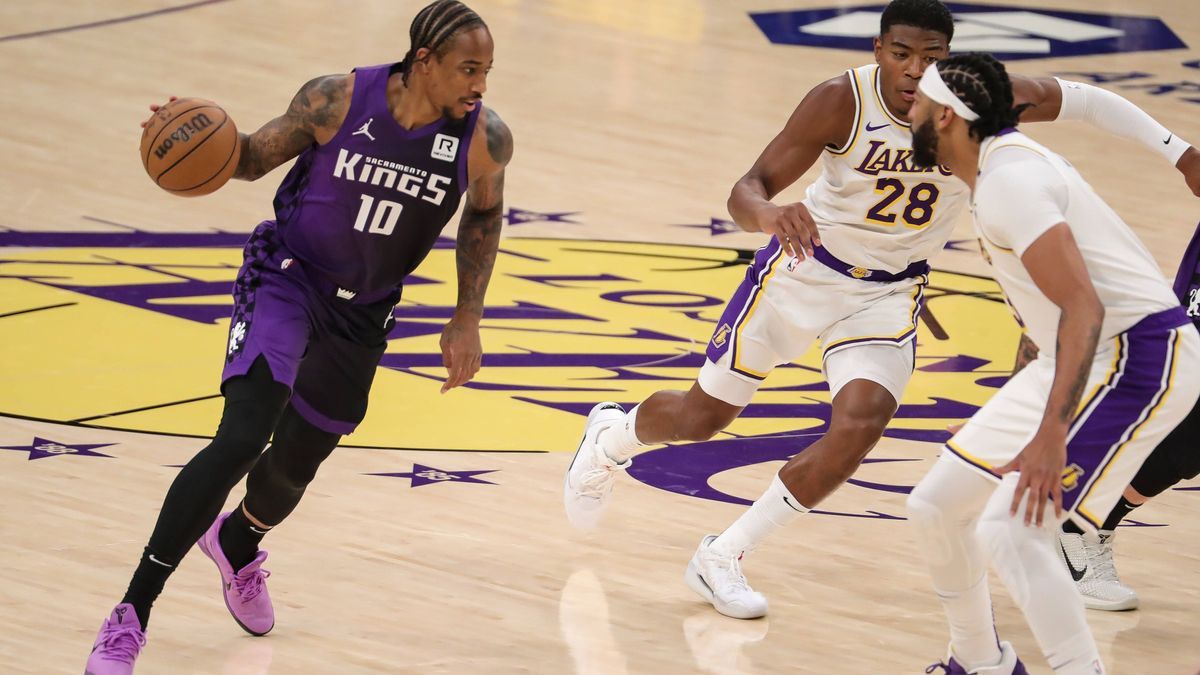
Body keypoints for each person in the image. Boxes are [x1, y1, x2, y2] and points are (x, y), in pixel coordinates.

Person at [562, 0, 1199, 622]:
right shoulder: (841, 100)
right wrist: (770, 214)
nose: (915, 70)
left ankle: (723, 554)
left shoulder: (974, 99)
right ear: (878, 51)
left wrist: (1179, 151)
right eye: (901, 54)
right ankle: (613, 435)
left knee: (861, 423)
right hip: (804, 271)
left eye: (931, 57)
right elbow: (746, 188)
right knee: (702, 419)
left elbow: (1086, 100)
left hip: (888, 293)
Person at [85, 2, 512, 672]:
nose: (480, 83)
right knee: (241, 436)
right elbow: (251, 158)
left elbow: (484, 215)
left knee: (292, 467)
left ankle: (238, 542)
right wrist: (187, 129)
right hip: (287, 277)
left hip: (364, 312)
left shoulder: (484, 138)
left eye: (486, 69)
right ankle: (130, 612)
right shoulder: (336, 99)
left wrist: (466, 318)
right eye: (468, 68)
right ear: (423, 62)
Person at [906, 52, 1200, 674]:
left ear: (950, 120)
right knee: (936, 505)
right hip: (1087, 356)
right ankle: (980, 662)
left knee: (1012, 529)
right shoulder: (997, 160)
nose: (908, 111)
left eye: (919, 107)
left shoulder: (1012, 182)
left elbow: (1083, 308)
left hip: (1138, 358)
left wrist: (1050, 434)